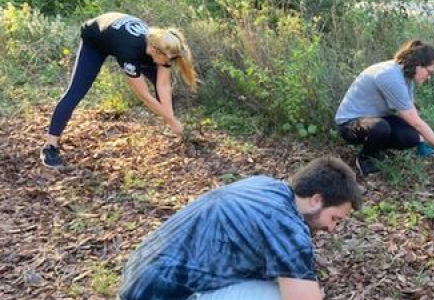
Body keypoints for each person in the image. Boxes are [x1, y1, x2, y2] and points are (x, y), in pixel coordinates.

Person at [118, 156, 363, 300]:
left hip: (137, 274)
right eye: (335, 218)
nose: (332, 229)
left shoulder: (266, 185)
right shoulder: (287, 227)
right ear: (317, 200)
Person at [41, 12, 198, 168]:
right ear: (155, 51)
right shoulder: (129, 51)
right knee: (76, 91)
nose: (169, 63)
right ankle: (50, 146)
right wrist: (171, 119)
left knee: (163, 92)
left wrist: (171, 119)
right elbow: (144, 95)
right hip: (95, 39)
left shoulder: (162, 44)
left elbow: (163, 85)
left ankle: (178, 132)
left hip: (119, 34)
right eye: (168, 60)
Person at [335, 39, 434, 176]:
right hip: (349, 123)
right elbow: (416, 122)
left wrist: (420, 142)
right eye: (429, 72)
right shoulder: (391, 77)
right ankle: (366, 158)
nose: (429, 78)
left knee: (411, 137)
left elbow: (411, 111)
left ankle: (377, 148)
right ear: (418, 66)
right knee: (380, 128)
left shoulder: (406, 75)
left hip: (376, 117)